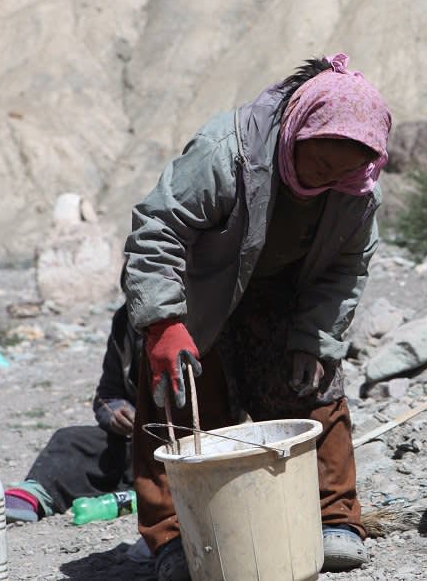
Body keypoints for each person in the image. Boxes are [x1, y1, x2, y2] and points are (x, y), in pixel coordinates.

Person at [122, 53, 391, 580]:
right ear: (298, 130)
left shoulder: (356, 189)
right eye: (320, 163)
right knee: (180, 405)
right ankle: (177, 538)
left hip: (283, 297)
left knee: (314, 389)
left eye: (345, 169)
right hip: (200, 294)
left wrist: (316, 337)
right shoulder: (228, 152)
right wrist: (162, 323)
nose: (329, 178)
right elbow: (158, 228)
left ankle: (333, 520)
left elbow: (345, 268)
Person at [4, 305, 140, 523]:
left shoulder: (201, 320)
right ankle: (35, 495)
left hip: (191, 442)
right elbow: (109, 394)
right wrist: (117, 414)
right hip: (138, 442)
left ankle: (140, 495)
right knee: (70, 441)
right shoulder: (127, 322)